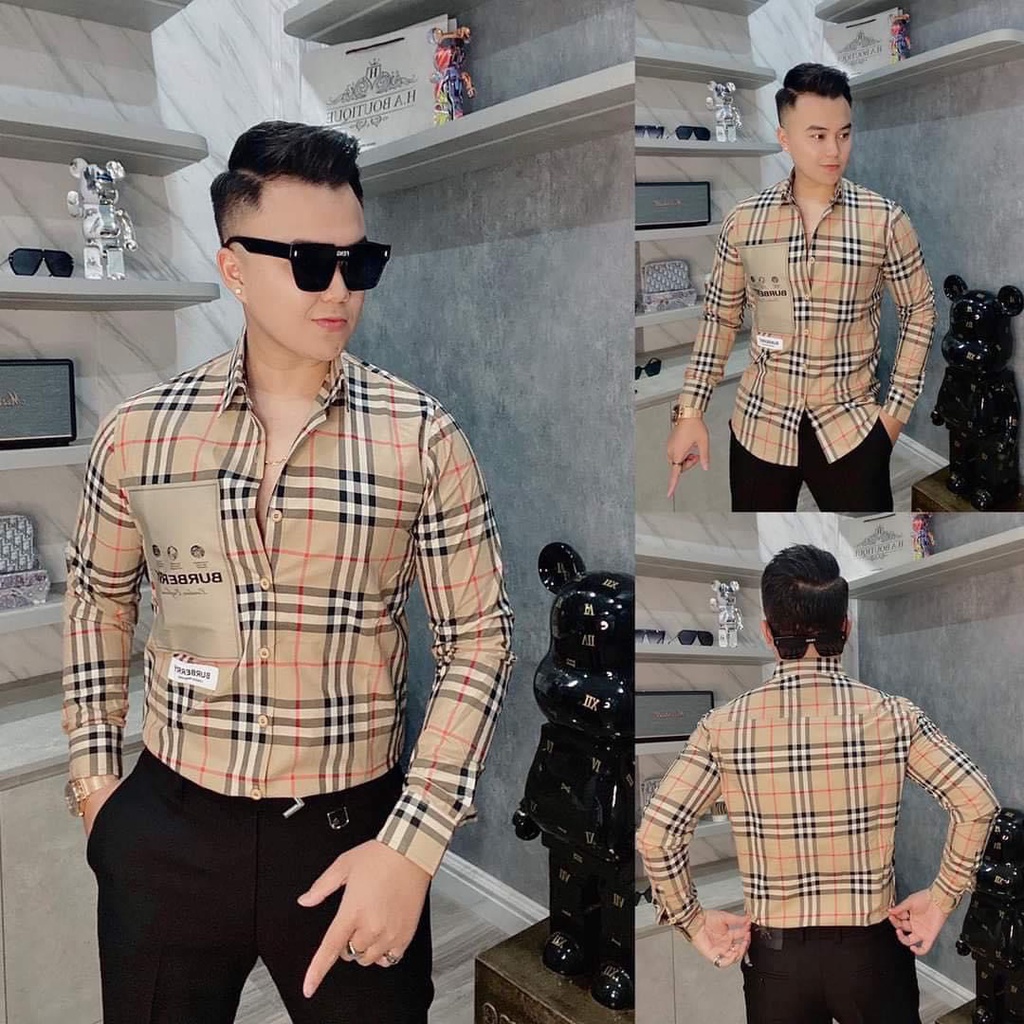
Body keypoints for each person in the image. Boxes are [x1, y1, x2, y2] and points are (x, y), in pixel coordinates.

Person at [60, 120, 515, 1024]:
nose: (340, 287)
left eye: (360, 261)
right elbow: (98, 601)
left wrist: (413, 846)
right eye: (310, 261)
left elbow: (478, 639)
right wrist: (96, 788)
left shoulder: (422, 438)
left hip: (352, 834)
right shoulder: (141, 433)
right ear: (234, 268)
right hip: (169, 824)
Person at [636, 544, 998, 1024]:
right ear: (845, 628)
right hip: (871, 956)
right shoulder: (894, 716)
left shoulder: (723, 727)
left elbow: (656, 836)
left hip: (777, 962)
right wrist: (941, 899)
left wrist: (692, 922)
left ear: (768, 633)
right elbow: (977, 803)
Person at [665, 63, 937, 512]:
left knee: (865, 533)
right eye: (817, 136)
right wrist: (690, 411)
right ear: (785, 138)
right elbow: (720, 317)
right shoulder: (745, 221)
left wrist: (893, 415)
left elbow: (919, 310)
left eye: (844, 134)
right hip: (759, 424)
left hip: (851, 428)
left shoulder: (885, 220)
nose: (834, 150)